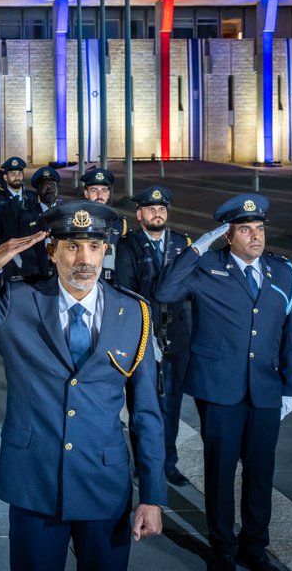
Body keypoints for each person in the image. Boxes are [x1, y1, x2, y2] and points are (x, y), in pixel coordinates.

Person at [0, 201, 165, 571]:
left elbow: (146, 413)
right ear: (51, 251)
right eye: (71, 247)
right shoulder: (17, 300)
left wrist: (152, 495)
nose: (84, 259)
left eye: (94, 247)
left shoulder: (134, 312)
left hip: (103, 484)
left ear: (105, 250)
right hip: (34, 483)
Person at [155, 194, 292, 571]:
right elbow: (164, 292)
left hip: (265, 389)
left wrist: (288, 387)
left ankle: (255, 545)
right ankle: (222, 547)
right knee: (220, 471)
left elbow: (290, 335)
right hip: (219, 389)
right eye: (245, 229)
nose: (256, 236)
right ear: (228, 235)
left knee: (260, 472)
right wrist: (197, 248)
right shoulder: (207, 267)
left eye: (259, 229)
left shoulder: (283, 272)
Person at [114, 185, 194, 487]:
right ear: (140, 214)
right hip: (144, 334)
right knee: (142, 403)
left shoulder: (183, 244)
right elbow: (127, 291)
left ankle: (168, 463)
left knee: (172, 403)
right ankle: (145, 464)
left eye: (161, 209)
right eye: (150, 209)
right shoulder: (129, 246)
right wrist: (144, 334)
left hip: (176, 335)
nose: (157, 214)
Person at [0, 157, 50, 281]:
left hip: (33, 258)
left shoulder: (32, 197)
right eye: (12, 174)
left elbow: (39, 226)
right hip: (11, 258)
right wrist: (10, 254)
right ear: (5, 177)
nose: (17, 177)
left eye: (19, 173)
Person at [80, 168, 127, 285]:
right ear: (86, 193)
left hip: (112, 283)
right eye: (94, 190)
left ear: (108, 194)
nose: (99, 195)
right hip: (84, 281)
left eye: (104, 190)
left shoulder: (120, 224)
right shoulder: (77, 222)